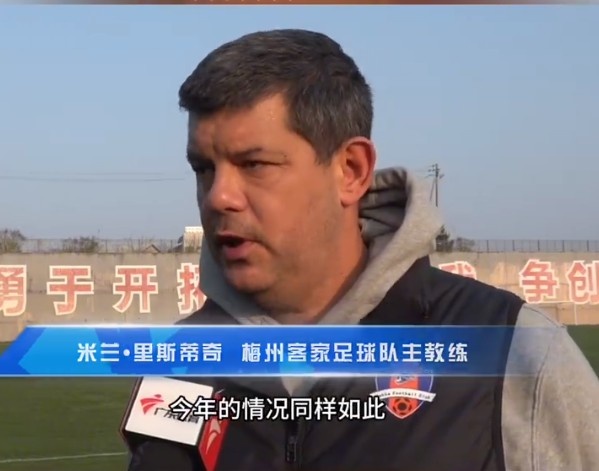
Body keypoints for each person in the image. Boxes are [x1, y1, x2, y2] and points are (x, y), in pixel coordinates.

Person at [129, 29, 599, 471]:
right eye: (204, 169)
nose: (218, 197)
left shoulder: (516, 351)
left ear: (351, 170)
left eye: (254, 164)